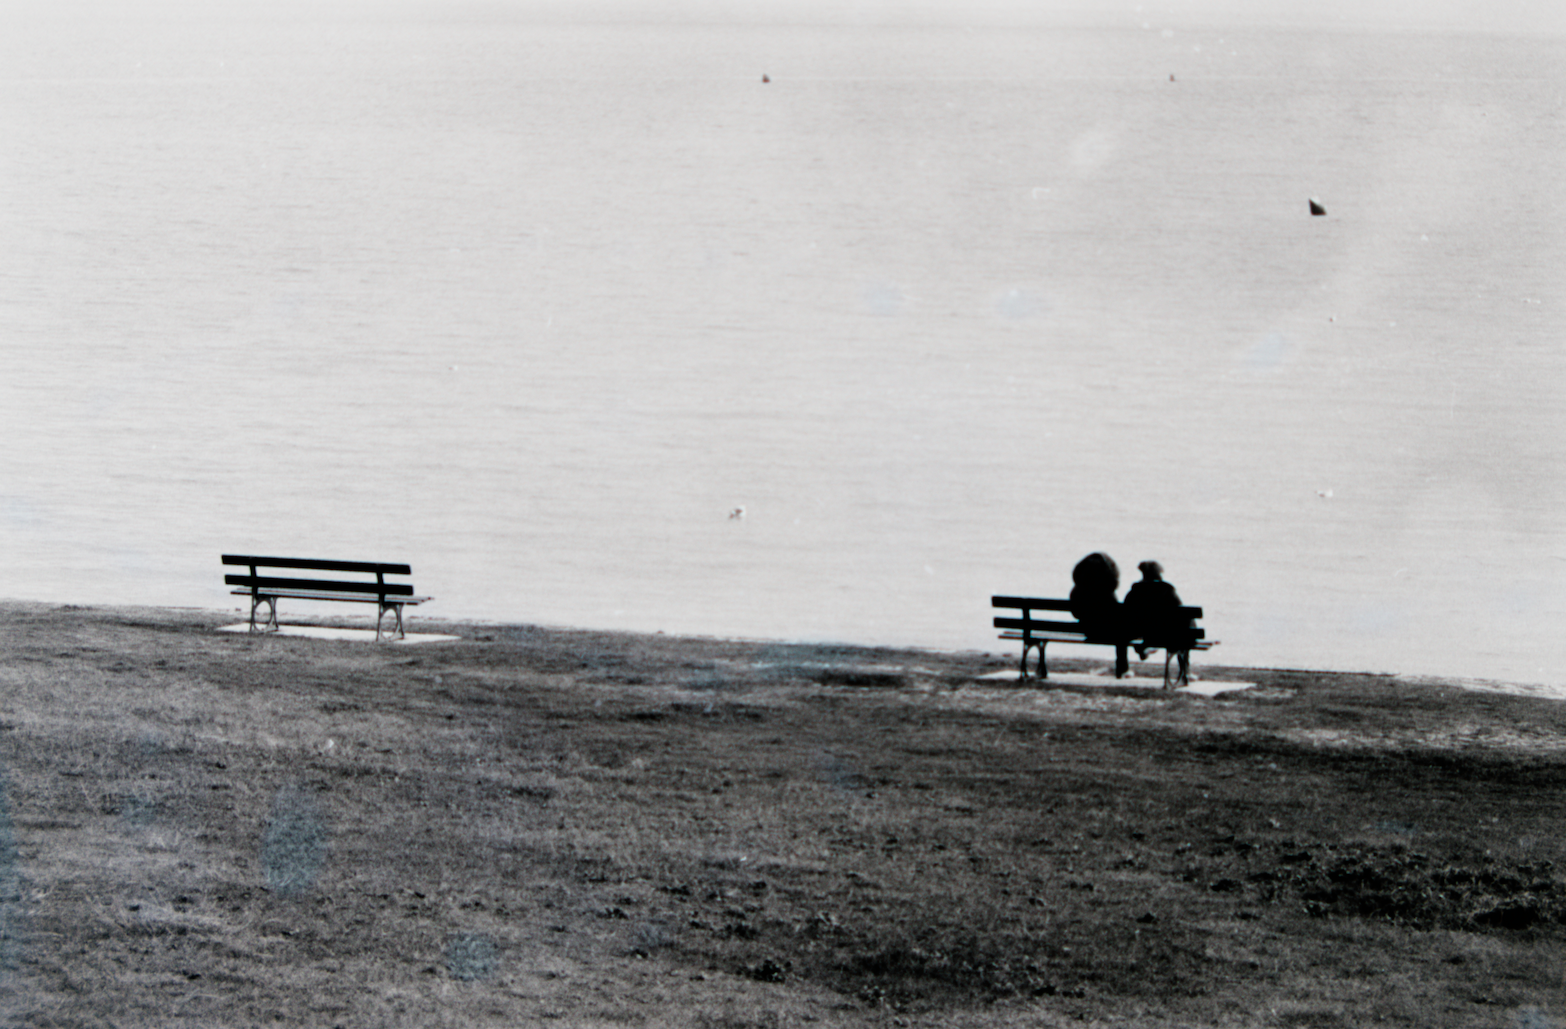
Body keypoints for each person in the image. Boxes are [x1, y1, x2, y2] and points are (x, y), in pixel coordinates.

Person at [1069, 552, 1128, 677]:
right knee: (1122, 632)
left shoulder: (1077, 591)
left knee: (1120, 631)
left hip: (1087, 630)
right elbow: (1114, 615)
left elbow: (1075, 613)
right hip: (1107, 632)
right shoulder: (1107, 591)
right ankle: (1122, 668)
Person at [1123, 561, 1186, 661]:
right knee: (1184, 630)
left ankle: (1138, 654)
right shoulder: (1167, 590)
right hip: (1164, 633)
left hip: (1139, 633)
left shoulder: (1134, 591)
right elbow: (1181, 612)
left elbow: (1125, 613)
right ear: (1159, 574)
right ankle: (1184, 670)